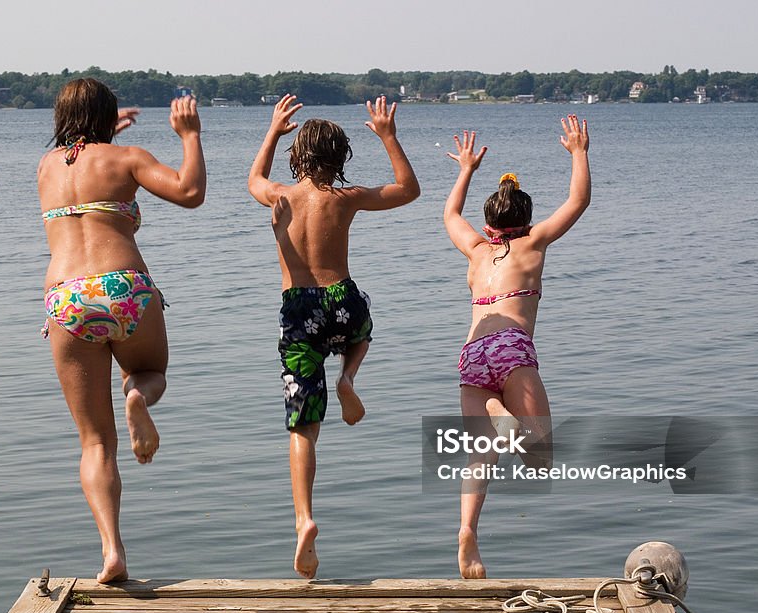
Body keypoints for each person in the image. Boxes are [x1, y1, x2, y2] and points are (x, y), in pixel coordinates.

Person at [37, 78, 206, 583]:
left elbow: (83, 163)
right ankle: (138, 397)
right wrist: (190, 134)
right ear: (109, 117)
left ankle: (112, 550)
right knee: (150, 372)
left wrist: (101, 132)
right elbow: (189, 192)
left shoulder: (46, 168)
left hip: (66, 297)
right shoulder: (128, 157)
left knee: (95, 442)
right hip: (124, 287)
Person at [248, 94, 420, 578]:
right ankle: (349, 374)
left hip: (298, 310)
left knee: (303, 427)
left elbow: (252, 180)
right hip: (341, 300)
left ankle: (303, 519)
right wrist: (388, 135)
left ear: (297, 157)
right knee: (362, 328)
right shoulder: (346, 199)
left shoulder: (280, 196)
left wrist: (272, 131)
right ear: (341, 158)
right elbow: (408, 189)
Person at [442, 115, 590, 578]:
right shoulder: (534, 244)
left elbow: (449, 215)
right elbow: (578, 201)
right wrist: (578, 152)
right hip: (511, 346)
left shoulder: (476, 250)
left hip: (471, 353)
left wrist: (465, 168)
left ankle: (468, 532)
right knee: (541, 457)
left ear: (488, 226)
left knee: (479, 453)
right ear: (526, 222)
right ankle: (501, 416)